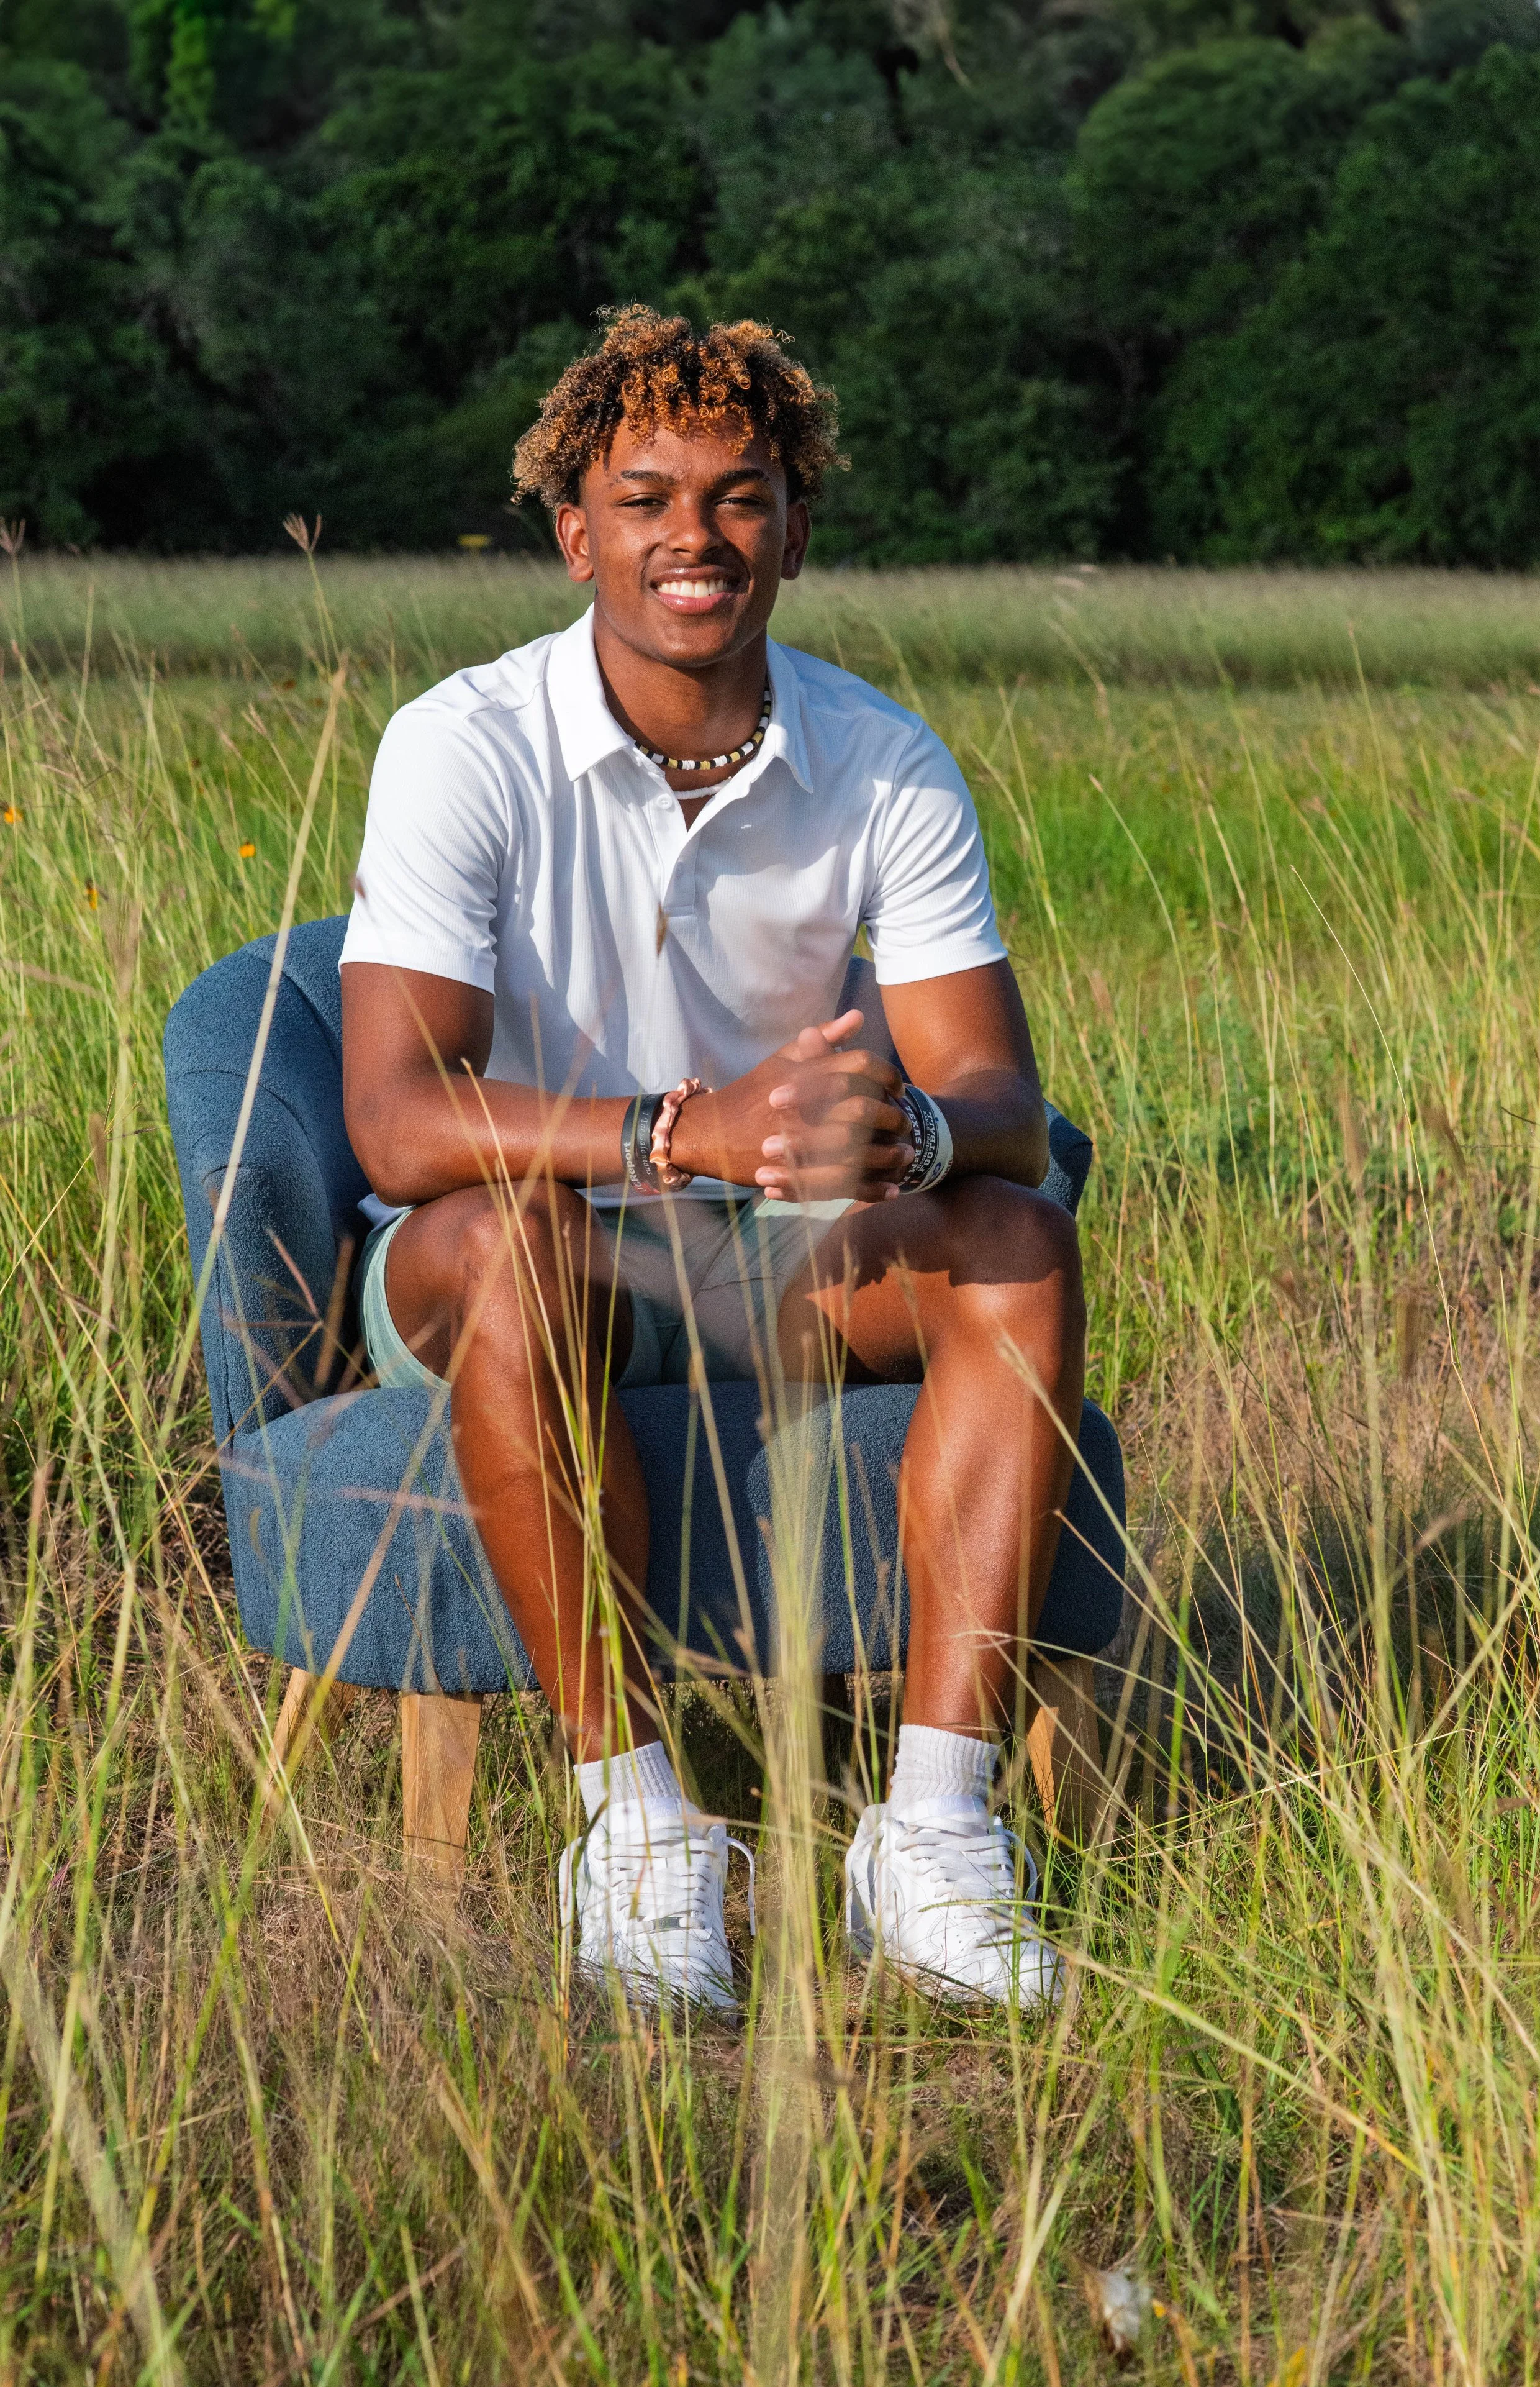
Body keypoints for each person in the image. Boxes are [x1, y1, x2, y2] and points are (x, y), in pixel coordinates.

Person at [339, 305, 1086, 2015]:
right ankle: (641, 1826)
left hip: (779, 1264)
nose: (696, 538)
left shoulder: (881, 757)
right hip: (525, 1266)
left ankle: (932, 1831)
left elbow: (1001, 1098)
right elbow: (395, 1119)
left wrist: (899, 1127)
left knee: (1015, 1239)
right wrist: (681, 1129)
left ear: (796, 527)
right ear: (575, 528)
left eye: (740, 498)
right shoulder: (463, 741)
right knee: (514, 1234)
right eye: (648, 496)